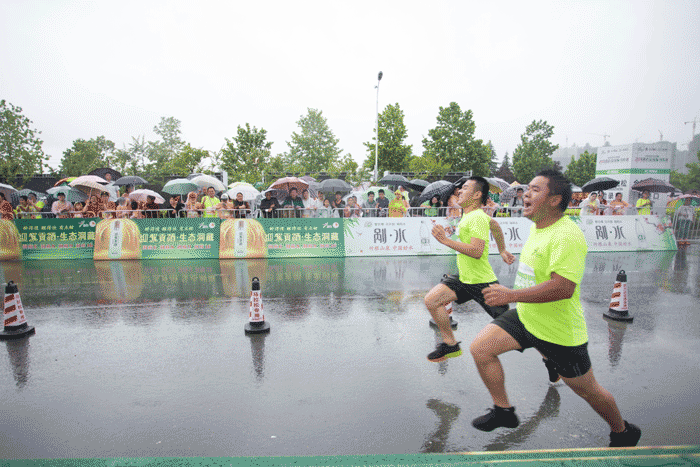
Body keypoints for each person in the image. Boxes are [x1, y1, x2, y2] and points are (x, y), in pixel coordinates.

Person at [474, 169, 641, 447]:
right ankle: (504, 411)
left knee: (588, 391)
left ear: (554, 200)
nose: (526, 194)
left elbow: (563, 288)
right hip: (527, 317)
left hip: (559, 332)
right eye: (527, 188)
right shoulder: (538, 228)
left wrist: (510, 294)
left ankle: (622, 432)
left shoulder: (567, 235)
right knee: (481, 348)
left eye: (535, 190)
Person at [424, 176, 515, 363]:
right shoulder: (473, 215)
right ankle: (450, 344)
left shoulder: (476, 217)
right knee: (432, 300)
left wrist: (445, 241)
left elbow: (476, 251)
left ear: (477, 195)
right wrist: (502, 250)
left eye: (465, 188)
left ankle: (552, 358)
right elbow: (495, 225)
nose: (459, 191)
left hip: (483, 282)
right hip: (465, 278)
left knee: (517, 328)